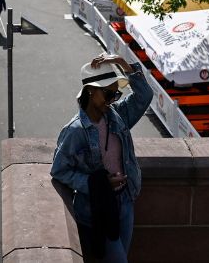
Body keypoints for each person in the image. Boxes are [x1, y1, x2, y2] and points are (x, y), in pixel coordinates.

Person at [51, 54, 153, 263]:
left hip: (125, 200)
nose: (113, 100)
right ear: (90, 91)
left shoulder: (117, 115)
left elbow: (144, 96)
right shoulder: (75, 131)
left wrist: (124, 64)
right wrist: (96, 183)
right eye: (108, 94)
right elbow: (59, 170)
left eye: (116, 95)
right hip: (96, 208)